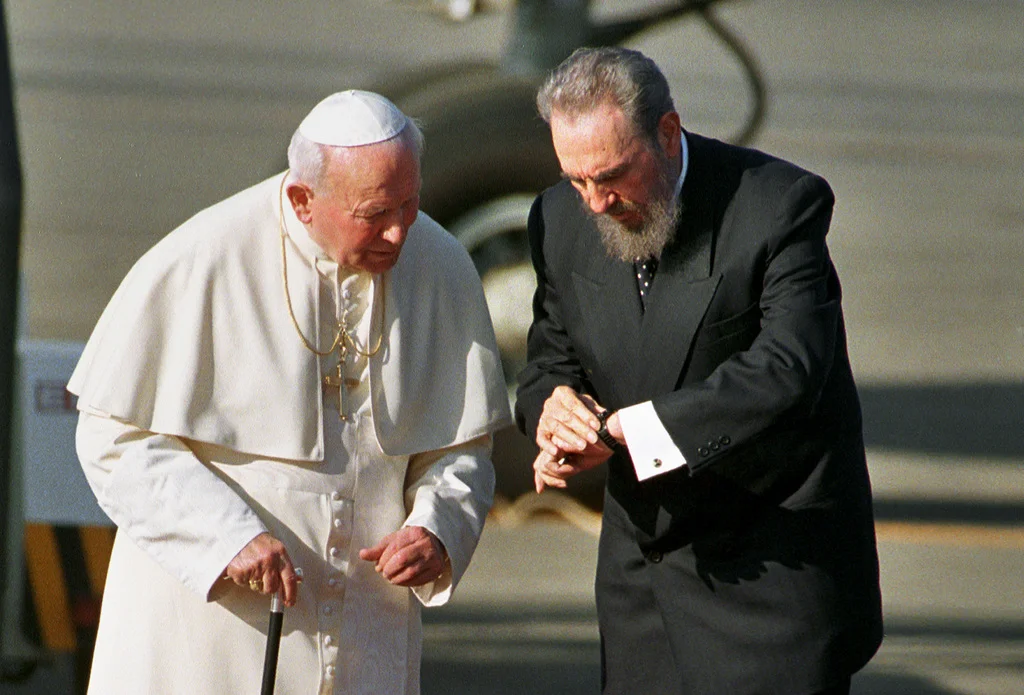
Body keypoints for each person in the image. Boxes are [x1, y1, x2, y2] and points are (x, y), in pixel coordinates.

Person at [69, 90, 511, 695]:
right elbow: (113, 437)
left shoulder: (440, 263)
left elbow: (460, 449)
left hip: (364, 632)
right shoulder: (204, 258)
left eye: (410, 204)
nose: (399, 233)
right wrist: (226, 538)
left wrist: (437, 529)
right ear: (304, 201)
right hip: (209, 633)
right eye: (375, 212)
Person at [514, 47, 883, 695]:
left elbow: (789, 370)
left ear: (667, 133)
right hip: (642, 587)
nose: (595, 202)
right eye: (576, 179)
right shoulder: (560, 218)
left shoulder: (777, 208)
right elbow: (551, 355)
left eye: (611, 176)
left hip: (767, 577)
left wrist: (634, 430)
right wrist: (553, 410)